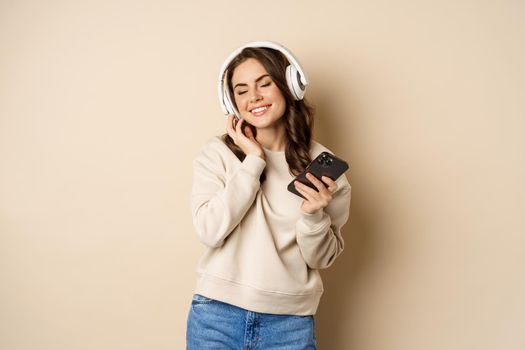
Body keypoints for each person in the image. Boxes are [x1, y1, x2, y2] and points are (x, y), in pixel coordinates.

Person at [186, 41, 352, 349]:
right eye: (242, 90)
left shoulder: (322, 166)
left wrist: (313, 215)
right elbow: (210, 231)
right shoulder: (218, 154)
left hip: (290, 324)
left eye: (265, 84)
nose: (255, 97)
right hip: (216, 317)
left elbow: (321, 258)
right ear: (231, 101)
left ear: (290, 86)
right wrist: (253, 162)